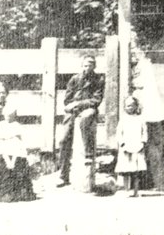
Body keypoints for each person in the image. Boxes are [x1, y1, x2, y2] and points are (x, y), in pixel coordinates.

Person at [57, 54, 105, 187]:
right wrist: (72, 106)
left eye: (90, 65)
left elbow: (96, 100)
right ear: (81, 66)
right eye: (85, 65)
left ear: (94, 66)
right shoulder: (74, 79)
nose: (87, 67)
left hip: (88, 109)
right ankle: (63, 175)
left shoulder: (98, 79)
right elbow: (67, 99)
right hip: (72, 111)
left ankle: (88, 152)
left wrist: (79, 104)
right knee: (63, 139)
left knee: (86, 117)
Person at [0, 107, 37, 202]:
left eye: (11, 115)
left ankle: (20, 192)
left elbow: (20, 142)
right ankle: (4, 193)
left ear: (14, 116)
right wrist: (6, 159)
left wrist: (12, 161)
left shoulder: (17, 125)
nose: (8, 117)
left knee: (19, 161)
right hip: (1, 147)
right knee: (0, 161)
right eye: (6, 115)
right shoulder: (0, 125)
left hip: (15, 148)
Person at [115, 95, 148, 197]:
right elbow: (119, 133)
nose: (129, 108)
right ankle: (126, 190)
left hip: (137, 146)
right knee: (126, 170)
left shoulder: (141, 119)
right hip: (126, 147)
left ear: (136, 106)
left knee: (136, 171)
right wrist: (122, 143)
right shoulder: (123, 119)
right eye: (127, 106)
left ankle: (136, 191)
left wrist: (143, 142)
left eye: (131, 105)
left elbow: (144, 132)